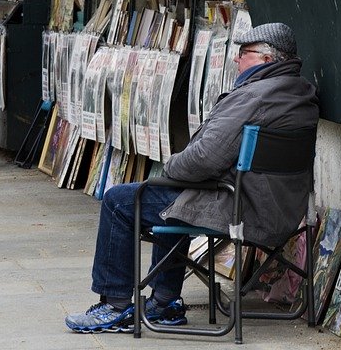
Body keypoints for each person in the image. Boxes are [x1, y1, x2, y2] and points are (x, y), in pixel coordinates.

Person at [65, 22, 319, 333]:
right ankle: (165, 301)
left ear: (268, 60)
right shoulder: (302, 94)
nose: (236, 60)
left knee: (120, 200)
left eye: (243, 54)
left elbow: (204, 158)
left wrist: (170, 168)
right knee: (174, 203)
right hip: (281, 211)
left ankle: (114, 304)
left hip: (237, 207)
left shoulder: (254, 96)